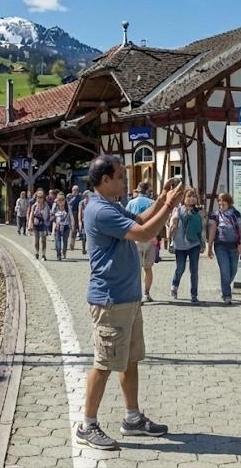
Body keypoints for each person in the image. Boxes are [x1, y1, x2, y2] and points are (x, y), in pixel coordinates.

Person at [74, 154, 184, 451]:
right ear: (105, 180)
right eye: (121, 175)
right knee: (104, 363)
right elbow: (145, 233)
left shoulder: (111, 205)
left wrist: (161, 201)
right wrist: (171, 206)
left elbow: (140, 219)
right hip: (110, 300)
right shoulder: (99, 210)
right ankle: (88, 425)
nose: (126, 180)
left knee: (129, 360)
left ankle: (132, 419)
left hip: (127, 298)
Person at [206, 192, 241, 305]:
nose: (220, 203)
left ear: (228, 201)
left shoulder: (235, 213)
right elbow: (212, 230)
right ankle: (227, 295)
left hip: (234, 246)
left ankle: (224, 287)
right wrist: (209, 247)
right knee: (225, 271)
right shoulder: (216, 215)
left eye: (223, 200)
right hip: (220, 245)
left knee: (233, 270)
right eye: (219, 200)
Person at [166, 187, 204, 304]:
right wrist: (170, 240)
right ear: (184, 198)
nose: (192, 199)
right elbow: (172, 224)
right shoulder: (178, 210)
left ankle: (194, 294)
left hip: (194, 243)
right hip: (180, 244)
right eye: (189, 196)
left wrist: (203, 242)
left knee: (194, 270)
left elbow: (201, 228)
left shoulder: (199, 211)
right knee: (180, 268)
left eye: (194, 197)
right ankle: (174, 286)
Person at [126, 182, 157, 302]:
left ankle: (136, 295)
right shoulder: (152, 203)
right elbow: (156, 221)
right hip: (149, 238)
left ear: (138, 190)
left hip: (135, 239)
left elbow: (126, 221)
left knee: (136, 269)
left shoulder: (131, 203)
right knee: (148, 268)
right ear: (148, 191)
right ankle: (146, 294)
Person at [28, 189, 50, 260]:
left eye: (41, 197)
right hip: (36, 225)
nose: (39, 199)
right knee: (36, 240)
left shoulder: (46, 206)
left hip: (43, 225)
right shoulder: (34, 206)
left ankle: (43, 254)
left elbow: (47, 216)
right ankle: (37, 252)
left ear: (43, 198)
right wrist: (30, 225)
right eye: (38, 197)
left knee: (43, 240)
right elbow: (31, 216)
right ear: (36, 197)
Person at [52, 193, 73, 260]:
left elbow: (71, 215)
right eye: (59, 199)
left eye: (62, 199)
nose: (61, 201)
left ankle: (64, 252)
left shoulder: (67, 206)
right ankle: (58, 254)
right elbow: (52, 215)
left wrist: (73, 224)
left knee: (65, 241)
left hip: (66, 226)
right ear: (57, 200)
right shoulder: (55, 206)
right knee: (58, 241)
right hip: (58, 226)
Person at [67, 185, 82, 251]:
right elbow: (68, 204)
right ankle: (64, 244)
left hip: (76, 214)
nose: (75, 191)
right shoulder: (69, 196)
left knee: (74, 230)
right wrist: (74, 198)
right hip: (69, 214)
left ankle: (72, 244)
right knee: (67, 229)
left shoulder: (79, 197)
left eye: (76, 190)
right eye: (74, 190)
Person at [77, 190, 91, 255]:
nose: (88, 197)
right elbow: (79, 212)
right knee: (84, 236)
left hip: (91, 222)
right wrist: (79, 221)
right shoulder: (81, 203)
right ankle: (83, 248)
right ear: (84, 196)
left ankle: (90, 249)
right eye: (87, 196)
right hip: (84, 221)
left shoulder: (92, 203)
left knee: (90, 236)